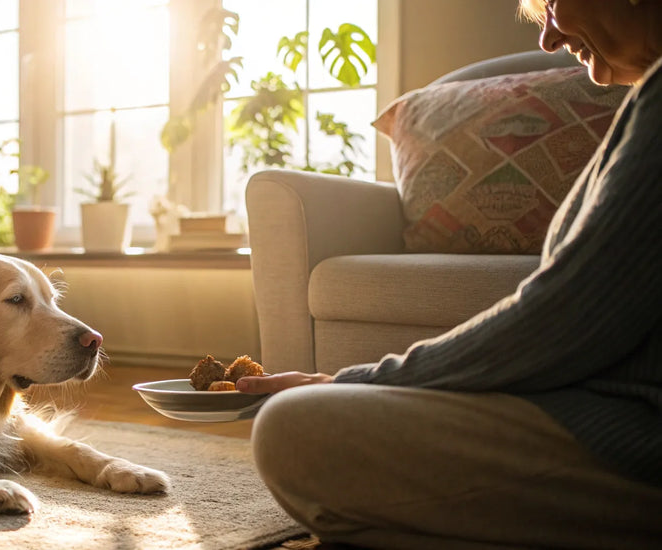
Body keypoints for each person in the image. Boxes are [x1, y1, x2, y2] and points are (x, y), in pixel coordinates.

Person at [237, 1, 662, 548]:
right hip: (596, 402)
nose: (548, 39)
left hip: (634, 436)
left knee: (290, 430)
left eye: (554, 3)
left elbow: (559, 321)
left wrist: (351, 381)